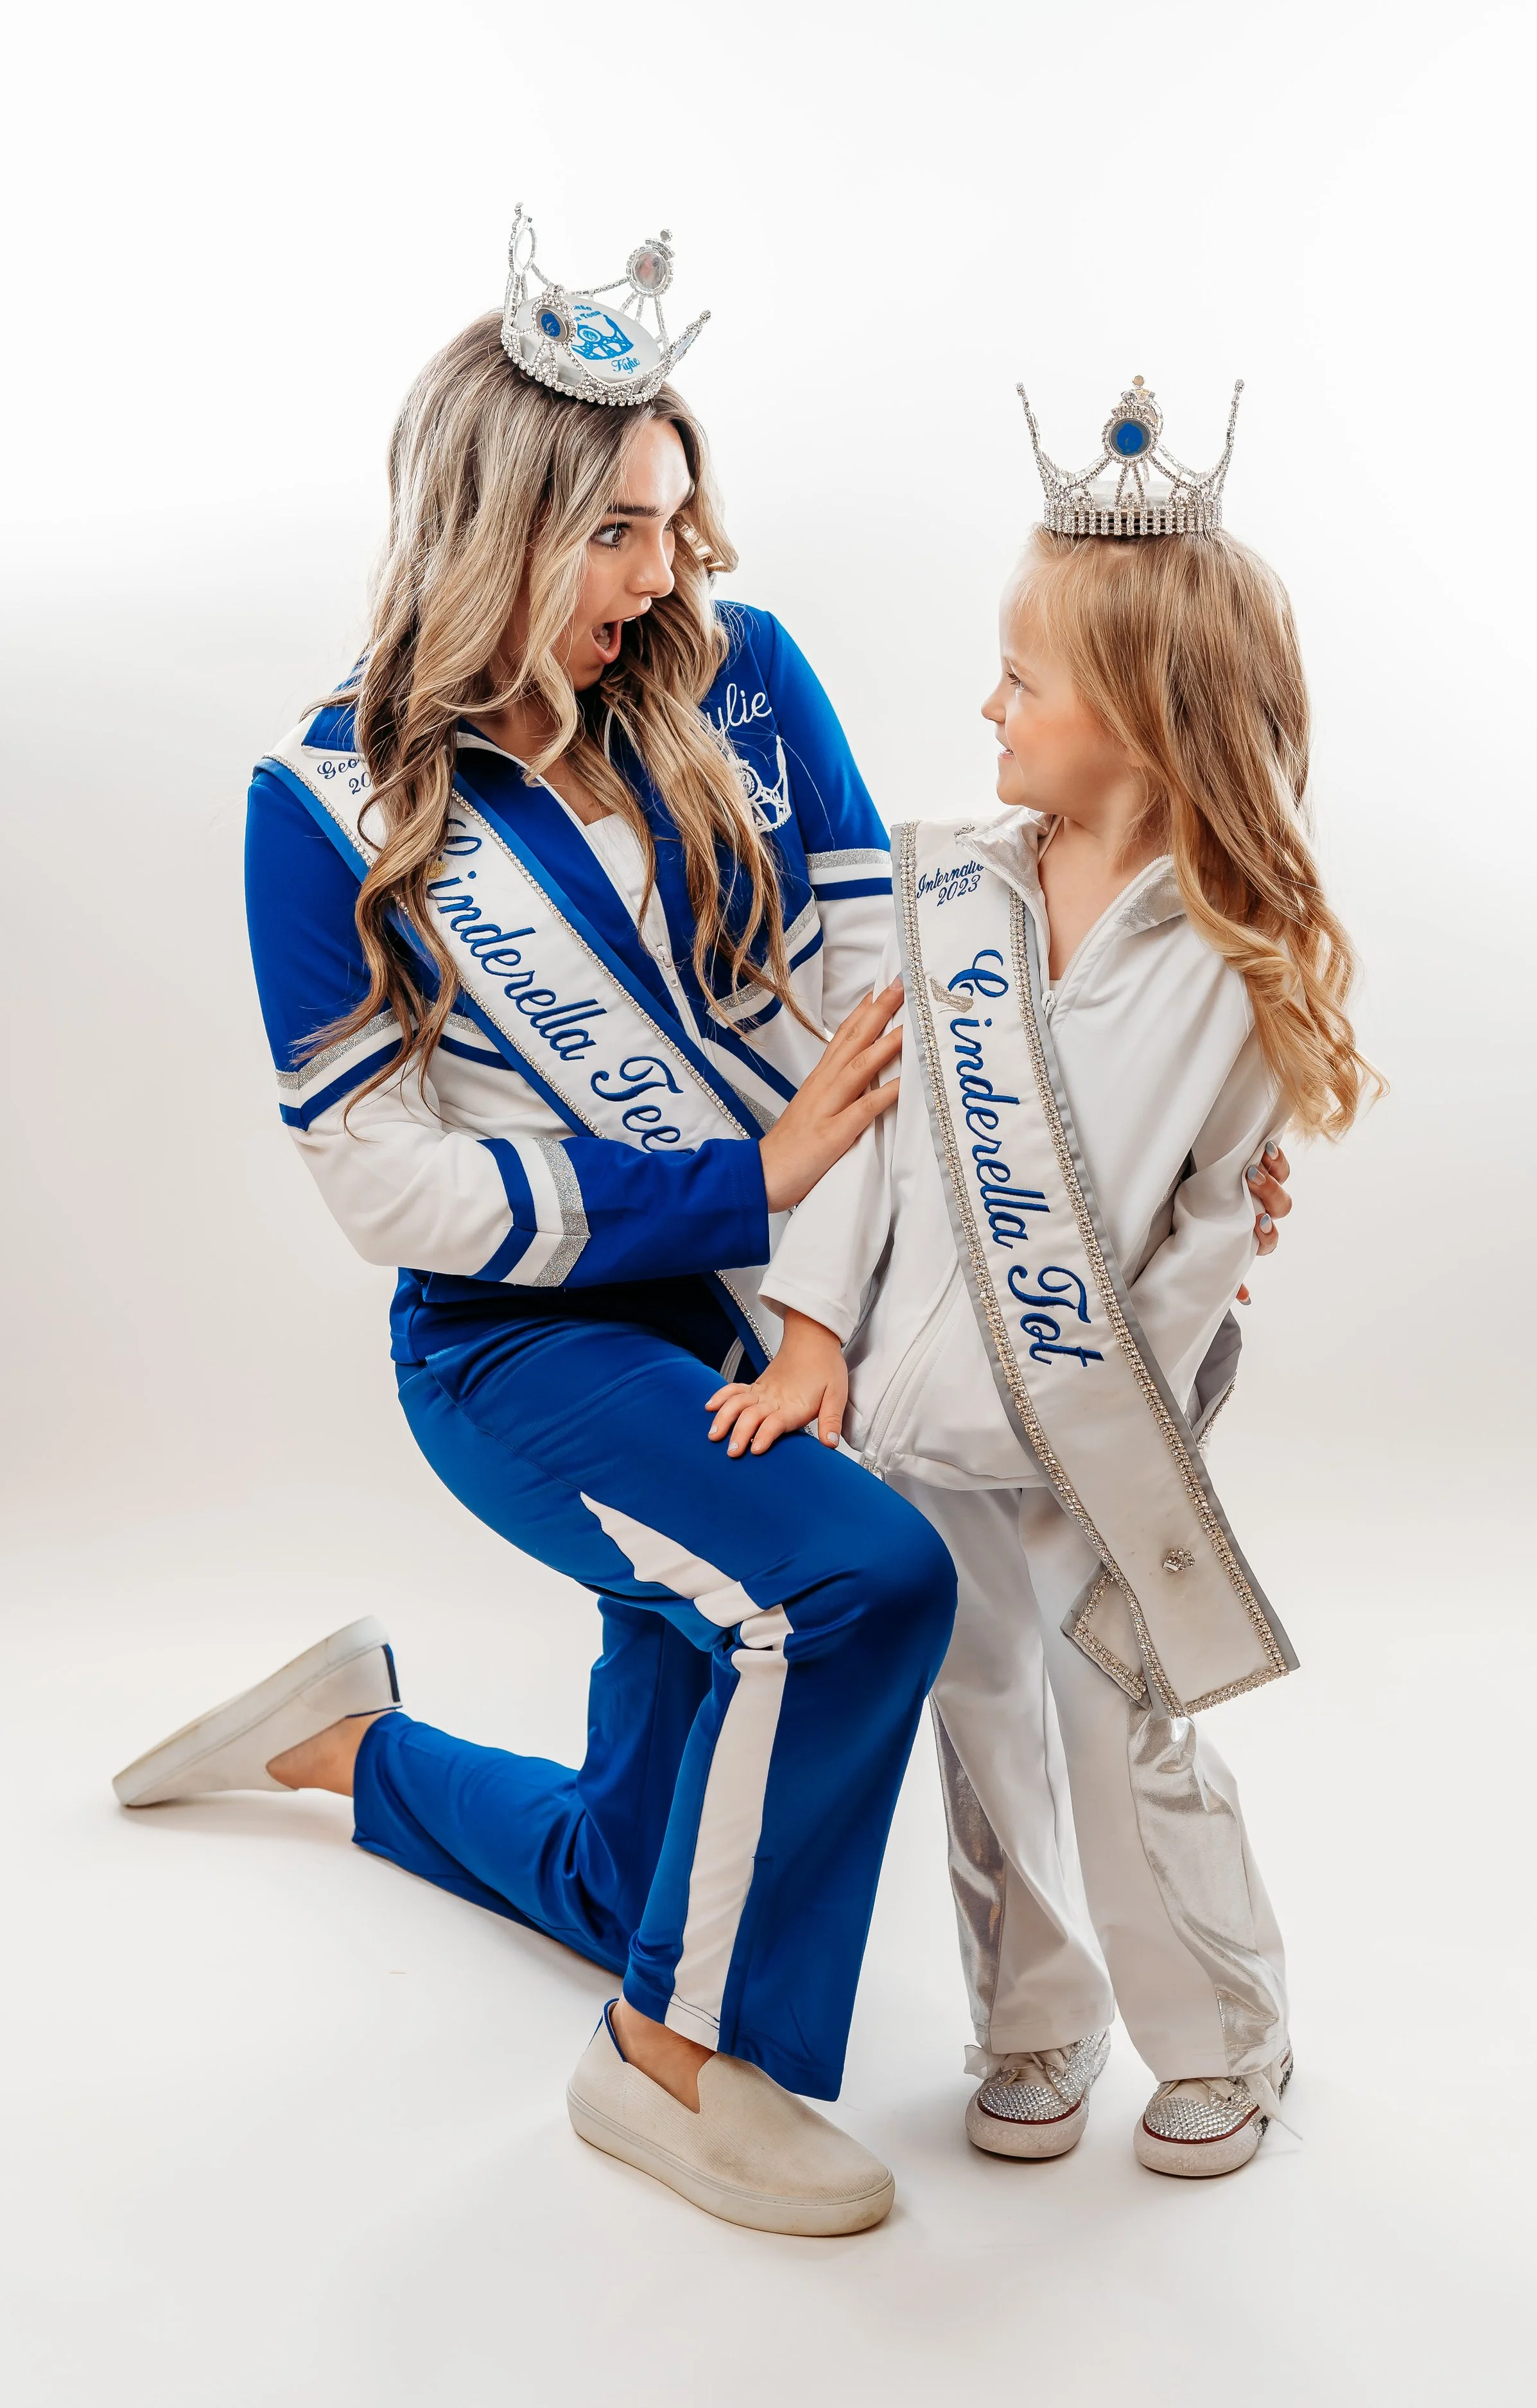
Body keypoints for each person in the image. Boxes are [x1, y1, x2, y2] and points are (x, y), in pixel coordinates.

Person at [109, 217, 968, 2238]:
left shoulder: (741, 683)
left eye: (672, 520)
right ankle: (664, 2067)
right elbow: (389, 1185)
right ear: (484, 524)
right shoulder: (320, 804)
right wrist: (727, 1187)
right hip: (525, 1350)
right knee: (851, 1587)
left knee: (621, 1863)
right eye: (612, 533)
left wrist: (1076, 1164)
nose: (662, 576)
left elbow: (883, 993)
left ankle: (342, 1741)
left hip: (772, 1299)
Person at [702, 375, 1372, 2180]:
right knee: (976, 1718)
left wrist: (1106, 1415)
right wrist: (812, 1339)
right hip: (916, 1429)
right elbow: (858, 1140)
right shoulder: (950, 905)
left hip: (1097, 1435)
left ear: (1139, 721)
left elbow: (1205, 1238)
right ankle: (1030, 2019)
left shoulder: (1236, 961)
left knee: (1119, 1725)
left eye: (1022, 677)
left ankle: (1221, 2029)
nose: (984, 705)